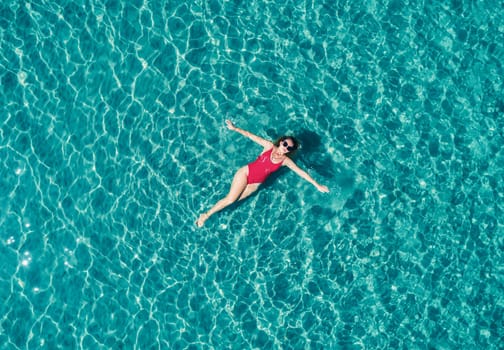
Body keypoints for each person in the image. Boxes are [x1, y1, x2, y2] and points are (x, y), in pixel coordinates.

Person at [196, 120, 330, 227]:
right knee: (230, 199)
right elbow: (251, 136)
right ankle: (206, 215)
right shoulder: (269, 146)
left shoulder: (286, 161)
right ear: (281, 141)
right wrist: (235, 128)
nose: (285, 147)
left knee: (232, 200)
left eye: (289, 147)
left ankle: (213, 211)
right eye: (285, 143)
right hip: (246, 173)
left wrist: (317, 185)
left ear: (290, 150)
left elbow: (301, 172)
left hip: (255, 184)